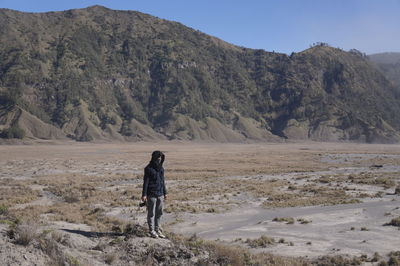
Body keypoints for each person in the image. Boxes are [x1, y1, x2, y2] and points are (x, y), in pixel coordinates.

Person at [141, 150, 167, 238]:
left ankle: (157, 229)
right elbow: (146, 182)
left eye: (160, 158)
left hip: (160, 194)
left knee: (159, 212)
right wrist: (144, 195)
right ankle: (151, 230)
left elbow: (163, 182)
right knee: (151, 213)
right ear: (154, 158)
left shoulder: (161, 169)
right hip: (151, 194)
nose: (159, 159)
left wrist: (165, 193)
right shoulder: (148, 168)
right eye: (158, 158)